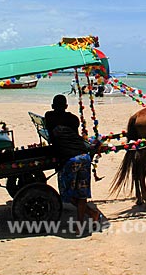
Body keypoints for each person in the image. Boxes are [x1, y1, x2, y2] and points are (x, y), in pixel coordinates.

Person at [44, 95, 101, 231]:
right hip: (83, 156)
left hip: (70, 160)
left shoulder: (49, 117)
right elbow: (74, 135)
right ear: (66, 107)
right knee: (82, 192)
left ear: (53, 106)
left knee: (67, 194)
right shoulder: (73, 119)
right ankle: (81, 222)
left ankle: (92, 213)